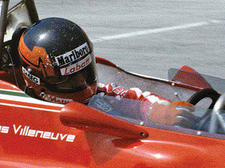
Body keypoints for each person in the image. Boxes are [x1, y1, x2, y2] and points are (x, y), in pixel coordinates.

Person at [17, 17, 192, 125]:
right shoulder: (22, 117)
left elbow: (134, 98)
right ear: (37, 80)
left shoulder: (100, 97)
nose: (82, 84)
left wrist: (162, 111)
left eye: (84, 73)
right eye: (69, 79)